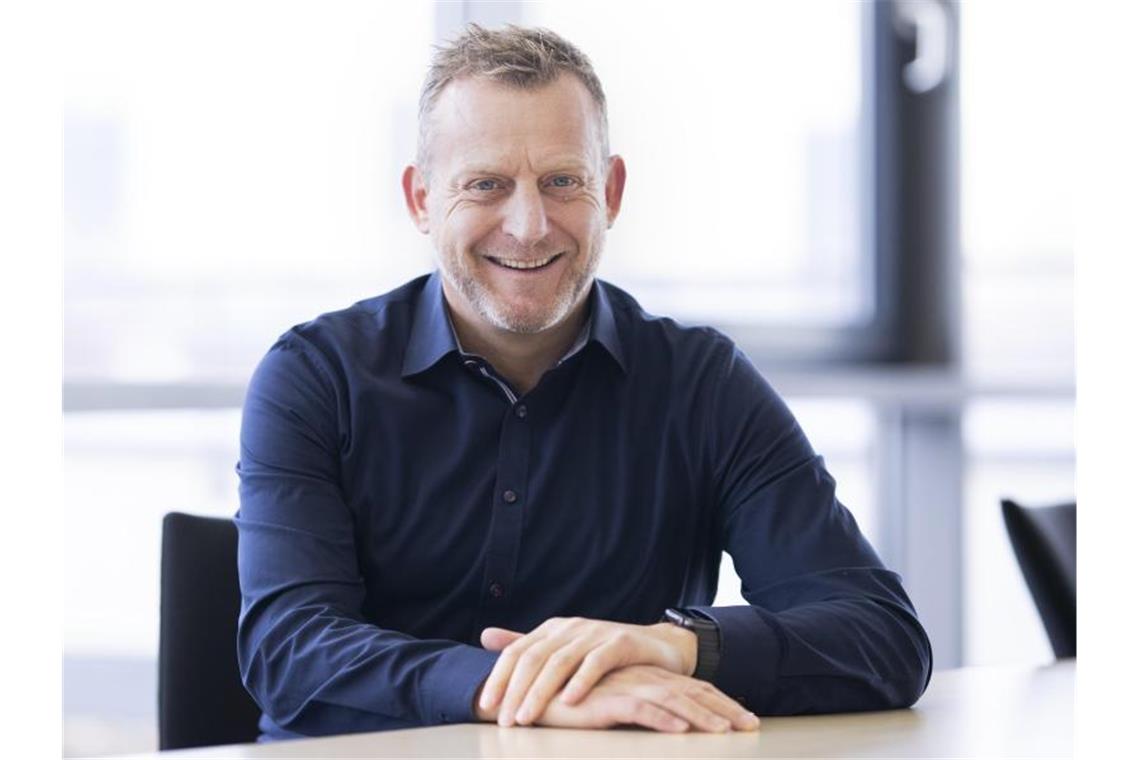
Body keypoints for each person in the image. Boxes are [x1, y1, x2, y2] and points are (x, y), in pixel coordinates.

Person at [235, 24, 932, 741]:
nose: (530, 225)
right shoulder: (316, 377)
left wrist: (679, 645)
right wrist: (526, 692)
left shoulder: (701, 384)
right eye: (486, 184)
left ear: (613, 192)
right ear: (420, 199)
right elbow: (288, 650)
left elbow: (883, 639)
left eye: (563, 181)